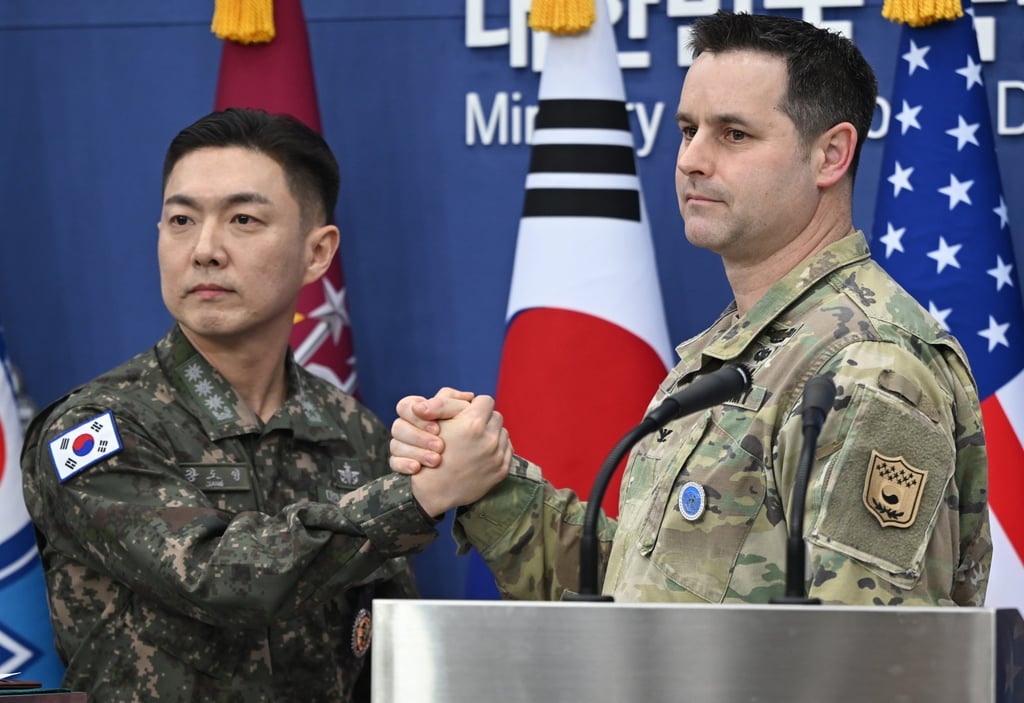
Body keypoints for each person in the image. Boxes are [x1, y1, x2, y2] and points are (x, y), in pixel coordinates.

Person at [389, 11, 991, 606]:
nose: (691, 160)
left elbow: (860, 662)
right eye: (687, 130)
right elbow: (633, 599)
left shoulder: (864, 366)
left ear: (831, 155)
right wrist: (486, 480)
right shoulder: (743, 344)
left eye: (734, 134)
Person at [20, 108, 510, 702]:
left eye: (243, 219)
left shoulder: (354, 430)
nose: (204, 250)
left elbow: (383, 648)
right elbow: (216, 576)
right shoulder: (99, 427)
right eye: (181, 219)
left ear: (317, 253)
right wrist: (419, 496)